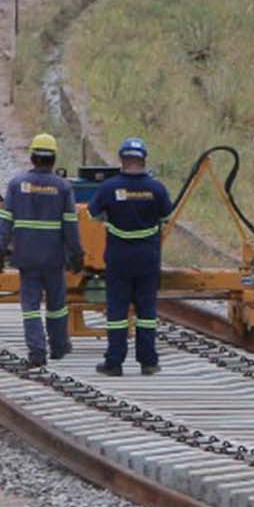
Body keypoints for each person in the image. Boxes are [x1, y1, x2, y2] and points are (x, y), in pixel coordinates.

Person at [84, 136, 172, 376]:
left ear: (122, 159)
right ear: (143, 160)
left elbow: (92, 214)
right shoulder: (157, 189)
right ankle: (148, 362)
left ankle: (114, 362)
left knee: (117, 311)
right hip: (147, 258)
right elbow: (166, 217)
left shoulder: (109, 187)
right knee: (146, 311)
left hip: (119, 257)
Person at [0, 132, 82, 367]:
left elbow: (5, 219)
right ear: (53, 159)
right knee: (57, 305)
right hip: (54, 257)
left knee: (31, 306)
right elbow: (71, 225)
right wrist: (77, 254)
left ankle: (37, 351)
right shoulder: (63, 187)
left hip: (27, 256)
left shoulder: (17, 184)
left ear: (32, 156)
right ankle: (59, 346)